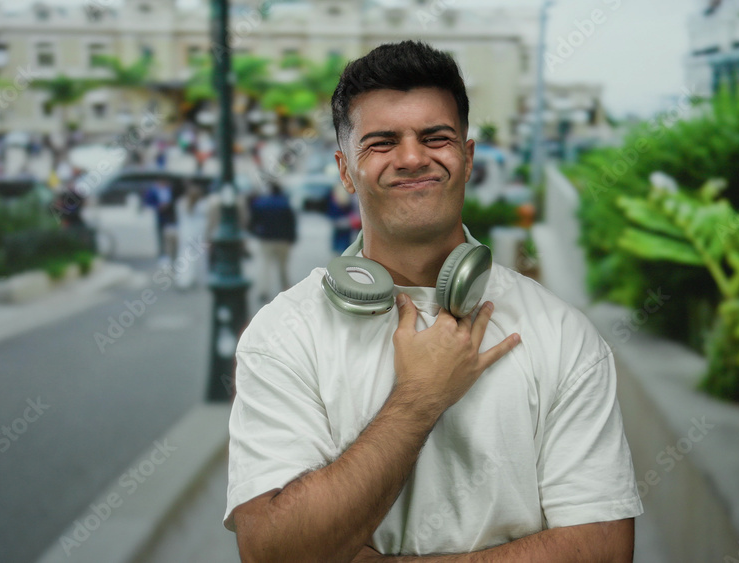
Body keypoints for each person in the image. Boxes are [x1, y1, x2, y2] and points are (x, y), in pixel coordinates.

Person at [224, 41, 642, 560]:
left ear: (466, 158)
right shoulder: (282, 334)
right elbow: (271, 551)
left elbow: (602, 549)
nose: (412, 157)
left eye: (435, 137)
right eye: (381, 142)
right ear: (345, 169)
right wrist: (419, 398)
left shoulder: (561, 332)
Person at [247, 182, 297, 302]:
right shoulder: (285, 203)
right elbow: (291, 223)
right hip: (283, 239)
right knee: (283, 266)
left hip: (266, 239)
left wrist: (256, 233)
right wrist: (292, 238)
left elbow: (252, 222)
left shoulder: (261, 203)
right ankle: (286, 288)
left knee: (264, 266)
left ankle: (263, 290)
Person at [174, 185, 209, 290]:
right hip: (199, 233)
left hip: (185, 233)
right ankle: (199, 278)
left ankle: (184, 280)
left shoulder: (181, 203)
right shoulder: (203, 205)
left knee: (185, 257)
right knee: (200, 258)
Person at [143, 180, 178, 269]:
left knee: (171, 237)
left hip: (169, 216)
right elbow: (148, 202)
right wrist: (158, 206)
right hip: (159, 216)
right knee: (161, 237)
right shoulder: (152, 191)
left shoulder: (170, 189)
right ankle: (163, 256)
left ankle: (171, 255)